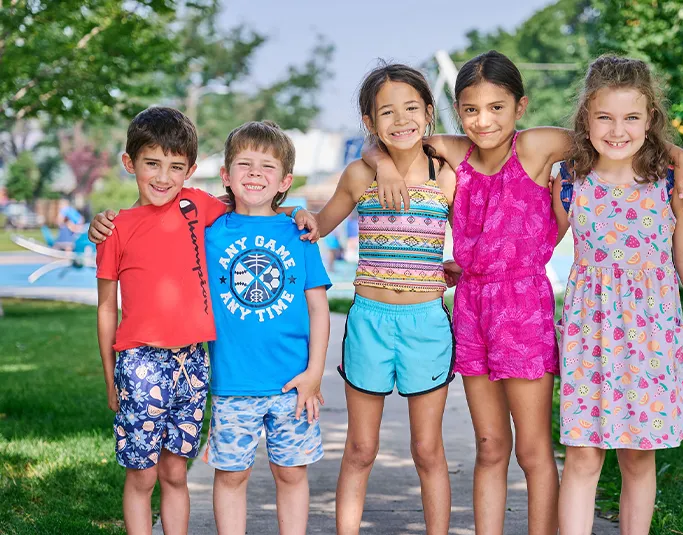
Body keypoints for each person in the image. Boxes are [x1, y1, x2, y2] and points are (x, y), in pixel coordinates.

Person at [361, 50, 683, 535]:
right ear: (458, 110)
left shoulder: (538, 146)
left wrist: (680, 155)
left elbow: (613, 137)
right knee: (490, 446)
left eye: (496, 107)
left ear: (520, 107)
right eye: (471, 110)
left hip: (524, 309)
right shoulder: (451, 152)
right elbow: (387, 141)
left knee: (534, 450)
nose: (483, 121)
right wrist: (385, 167)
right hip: (473, 309)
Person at [552, 55, 683, 535]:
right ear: (586, 118)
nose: (617, 129)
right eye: (604, 116)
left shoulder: (669, 182)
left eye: (631, 117)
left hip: (651, 339)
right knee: (583, 455)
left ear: (651, 121)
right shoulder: (569, 183)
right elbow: (538, 244)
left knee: (638, 456)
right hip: (591, 337)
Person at [290, 63, 457, 535]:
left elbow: (473, 242)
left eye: (411, 108)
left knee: (427, 450)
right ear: (369, 121)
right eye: (387, 112)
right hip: (369, 323)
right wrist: (297, 213)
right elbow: (317, 228)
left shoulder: (445, 175)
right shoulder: (359, 173)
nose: (400, 119)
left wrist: (462, 267)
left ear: (428, 112)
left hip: (426, 323)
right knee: (361, 449)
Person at [96, 106, 228, 535]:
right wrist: (110, 377)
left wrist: (298, 213)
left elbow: (252, 204)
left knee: (175, 473)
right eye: (152, 164)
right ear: (129, 163)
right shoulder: (115, 228)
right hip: (138, 363)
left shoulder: (197, 204)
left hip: (193, 362)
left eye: (176, 167)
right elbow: (105, 308)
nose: (163, 177)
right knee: (143, 475)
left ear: (190, 170)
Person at [202, 121, 331, 535]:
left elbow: (319, 311)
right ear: (226, 175)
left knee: (292, 474)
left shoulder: (299, 234)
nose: (255, 173)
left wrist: (314, 374)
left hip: (292, 386)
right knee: (231, 476)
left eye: (267, 166)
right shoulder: (210, 233)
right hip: (232, 384)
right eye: (244, 163)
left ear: (285, 180)